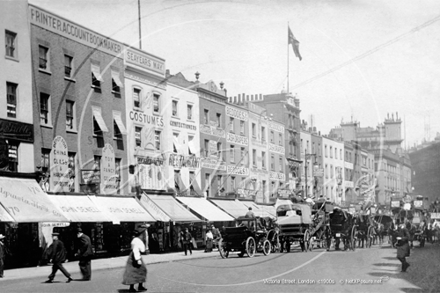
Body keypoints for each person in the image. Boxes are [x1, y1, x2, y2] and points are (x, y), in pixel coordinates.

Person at [122, 225, 148, 292]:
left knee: (139, 271)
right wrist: (138, 259)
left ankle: (139, 286)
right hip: (135, 257)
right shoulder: (136, 240)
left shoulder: (137, 240)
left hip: (136, 256)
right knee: (135, 271)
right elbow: (135, 250)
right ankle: (132, 287)